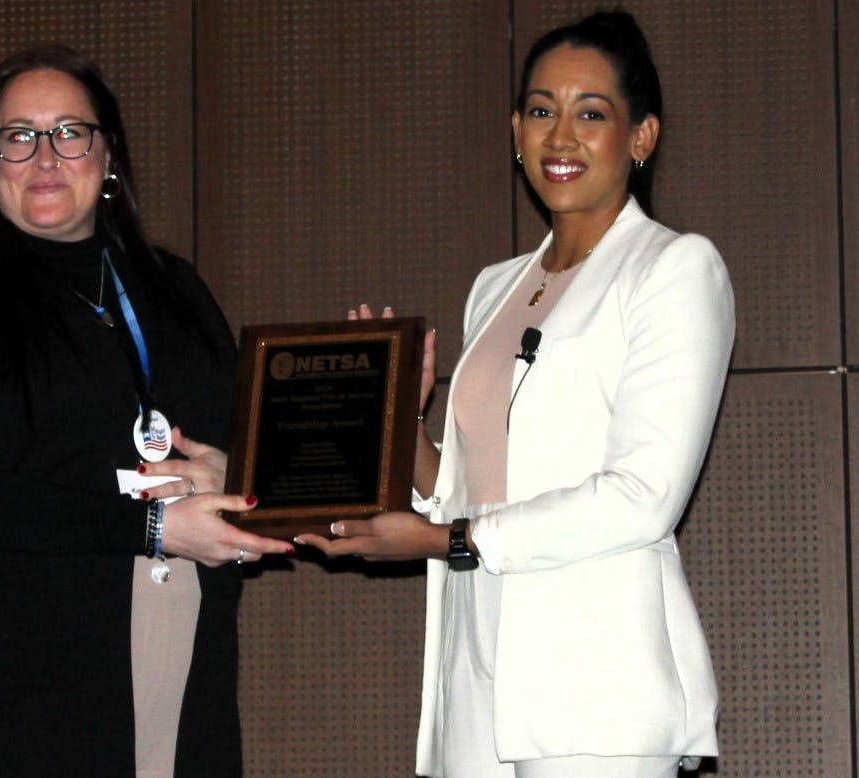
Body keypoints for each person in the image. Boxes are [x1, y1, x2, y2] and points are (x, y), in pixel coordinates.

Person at [298, 11, 733, 777]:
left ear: (640, 137)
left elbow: (643, 498)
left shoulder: (671, 270)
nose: (559, 137)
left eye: (589, 114)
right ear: (513, 131)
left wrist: (439, 541)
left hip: (594, 684)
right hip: (475, 662)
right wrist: (392, 419)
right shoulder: (494, 288)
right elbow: (466, 488)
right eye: (539, 111)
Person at [0, 45, 292, 777]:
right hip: (0, 678)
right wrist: (152, 527)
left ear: (108, 157)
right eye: (19, 136)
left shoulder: (175, 290)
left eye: (70, 133)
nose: (45, 156)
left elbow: (242, 452)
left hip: (174, 648)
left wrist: (233, 477)